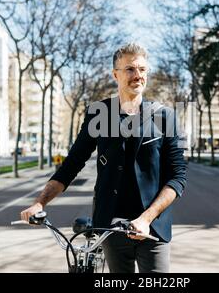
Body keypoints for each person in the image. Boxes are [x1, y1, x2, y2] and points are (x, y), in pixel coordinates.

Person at [20, 42, 187, 273]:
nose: (137, 75)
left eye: (142, 69)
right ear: (115, 74)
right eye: (130, 69)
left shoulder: (166, 116)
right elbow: (71, 165)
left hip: (153, 228)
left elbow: (178, 176)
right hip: (110, 226)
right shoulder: (98, 114)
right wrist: (40, 202)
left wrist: (146, 219)